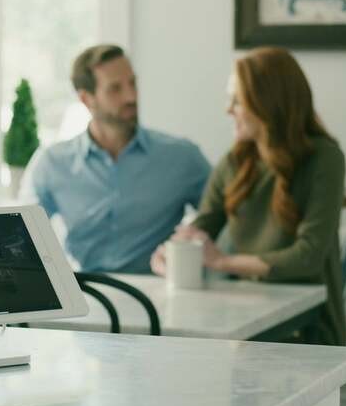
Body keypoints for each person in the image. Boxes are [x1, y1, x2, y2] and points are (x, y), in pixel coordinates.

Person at [151, 47, 346, 346]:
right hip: (246, 321)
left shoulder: (325, 159)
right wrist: (170, 251)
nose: (227, 109)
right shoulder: (234, 162)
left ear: (268, 103)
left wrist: (223, 262)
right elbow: (200, 229)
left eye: (237, 100)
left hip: (309, 327)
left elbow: (308, 257)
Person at [20, 44, 211, 273]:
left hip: (158, 293)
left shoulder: (182, 157)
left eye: (133, 83)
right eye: (115, 89)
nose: (131, 96)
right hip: (86, 292)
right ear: (86, 99)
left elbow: (228, 215)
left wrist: (191, 240)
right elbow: (21, 234)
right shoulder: (52, 163)